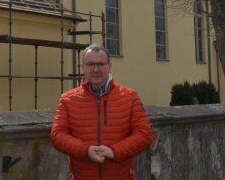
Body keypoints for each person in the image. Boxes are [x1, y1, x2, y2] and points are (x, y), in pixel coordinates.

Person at [50, 43, 156, 180]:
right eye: (90, 64)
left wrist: (114, 151)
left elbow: (144, 134)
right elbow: (57, 135)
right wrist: (86, 150)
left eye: (100, 64)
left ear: (109, 66)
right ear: (83, 67)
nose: (95, 69)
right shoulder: (67, 99)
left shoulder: (130, 96)